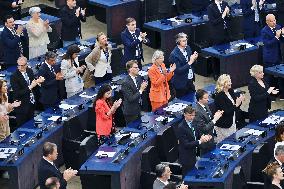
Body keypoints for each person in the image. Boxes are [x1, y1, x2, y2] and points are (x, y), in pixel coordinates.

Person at [177, 106, 212, 176]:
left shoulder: (193, 122)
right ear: (185, 114)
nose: (192, 117)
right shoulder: (181, 127)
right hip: (187, 157)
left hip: (195, 154)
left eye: (193, 115)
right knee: (187, 177)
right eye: (190, 115)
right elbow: (186, 144)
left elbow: (197, 133)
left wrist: (204, 137)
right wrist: (200, 141)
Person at [10, 57, 44, 126]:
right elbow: (17, 93)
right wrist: (30, 87)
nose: (20, 67)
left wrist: (38, 82)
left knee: (31, 125)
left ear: (26, 65)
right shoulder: (14, 76)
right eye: (18, 65)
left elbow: (33, 83)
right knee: (23, 127)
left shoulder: (29, 71)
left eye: (22, 65)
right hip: (22, 107)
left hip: (31, 103)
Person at [214, 74, 245, 143]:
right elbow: (226, 111)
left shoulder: (230, 91)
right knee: (225, 142)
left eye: (230, 81)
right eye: (228, 81)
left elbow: (235, 107)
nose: (230, 83)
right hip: (224, 125)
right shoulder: (219, 96)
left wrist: (240, 102)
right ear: (223, 83)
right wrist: (236, 105)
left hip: (232, 121)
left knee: (232, 140)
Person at [192, 89, 224, 155]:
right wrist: (215, 119)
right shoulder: (197, 112)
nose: (208, 99)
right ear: (200, 99)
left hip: (211, 137)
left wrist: (216, 115)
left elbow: (209, 118)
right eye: (205, 98)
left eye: (208, 97)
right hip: (205, 142)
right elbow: (204, 128)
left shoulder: (205, 105)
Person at [261, 14, 284, 99]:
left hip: (279, 56)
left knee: (280, 77)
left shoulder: (278, 27)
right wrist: (277, 37)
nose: (274, 22)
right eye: (271, 21)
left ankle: (281, 94)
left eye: (274, 20)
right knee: (270, 78)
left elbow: (282, 40)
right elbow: (267, 44)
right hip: (270, 58)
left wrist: (283, 35)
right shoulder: (264, 31)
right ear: (267, 22)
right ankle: (271, 96)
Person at [169, 33, 198, 98]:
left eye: (186, 40)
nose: (186, 42)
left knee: (194, 98)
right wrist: (190, 62)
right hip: (180, 83)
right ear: (178, 42)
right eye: (183, 41)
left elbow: (193, 64)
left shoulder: (188, 48)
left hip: (190, 80)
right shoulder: (174, 55)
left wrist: (194, 59)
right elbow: (178, 71)